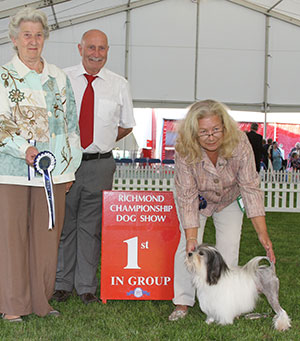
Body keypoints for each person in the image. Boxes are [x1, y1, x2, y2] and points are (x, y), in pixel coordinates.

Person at [0, 7, 82, 321]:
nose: (33, 42)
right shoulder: (4, 77)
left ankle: (41, 302)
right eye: (27, 35)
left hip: (53, 174)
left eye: (38, 35)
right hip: (12, 174)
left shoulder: (59, 77)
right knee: (12, 238)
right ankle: (12, 305)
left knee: (47, 238)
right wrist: (24, 150)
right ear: (14, 39)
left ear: (45, 38)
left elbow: (70, 126)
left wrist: (68, 167)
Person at [168, 100, 275, 321]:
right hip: (197, 200)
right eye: (204, 132)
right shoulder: (184, 149)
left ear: (225, 127)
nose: (211, 136)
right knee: (186, 250)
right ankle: (182, 302)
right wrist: (191, 237)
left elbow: (250, 188)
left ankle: (225, 303)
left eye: (216, 129)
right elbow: (187, 196)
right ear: (193, 133)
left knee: (228, 250)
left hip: (229, 199)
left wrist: (262, 234)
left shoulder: (240, 143)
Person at [52, 29, 135, 304]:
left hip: (101, 165)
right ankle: (62, 282)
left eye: (102, 48)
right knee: (65, 225)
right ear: (80, 48)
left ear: (107, 51)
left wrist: (103, 140)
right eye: (91, 48)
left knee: (91, 226)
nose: (96, 53)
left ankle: (86, 285)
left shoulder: (119, 84)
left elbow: (126, 124)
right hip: (66, 165)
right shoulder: (60, 78)